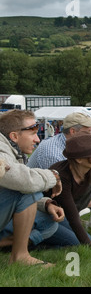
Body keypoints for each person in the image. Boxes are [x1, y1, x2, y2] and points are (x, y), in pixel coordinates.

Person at [0, 110, 63, 266]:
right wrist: (53, 176)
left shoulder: (14, 150)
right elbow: (23, 181)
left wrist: (46, 204)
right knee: (27, 191)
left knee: (49, 223)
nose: (37, 140)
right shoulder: (1, 148)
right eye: (33, 133)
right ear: (14, 136)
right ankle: (19, 256)